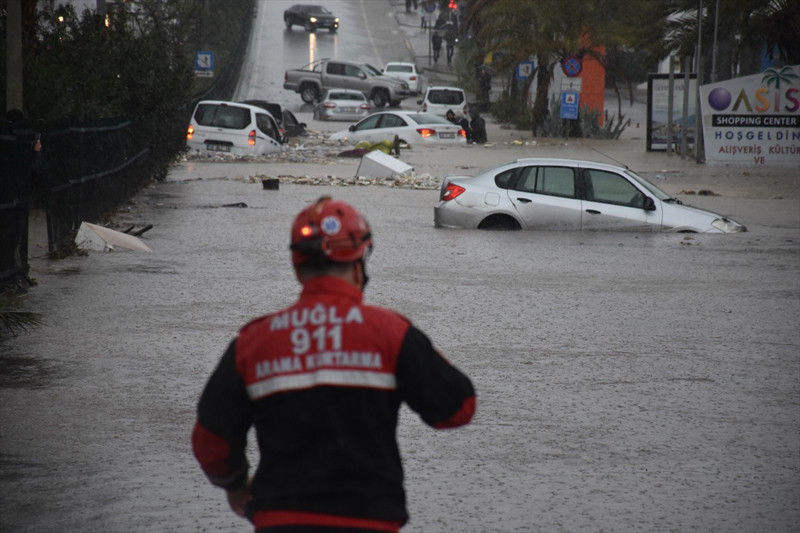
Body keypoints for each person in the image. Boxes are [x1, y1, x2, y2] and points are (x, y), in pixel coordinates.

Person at [192, 196, 476, 533]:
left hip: (279, 520)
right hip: (370, 522)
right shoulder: (392, 334)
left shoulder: (252, 343)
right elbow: (458, 408)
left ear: (297, 267)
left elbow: (211, 443)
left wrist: (236, 484)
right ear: (359, 264)